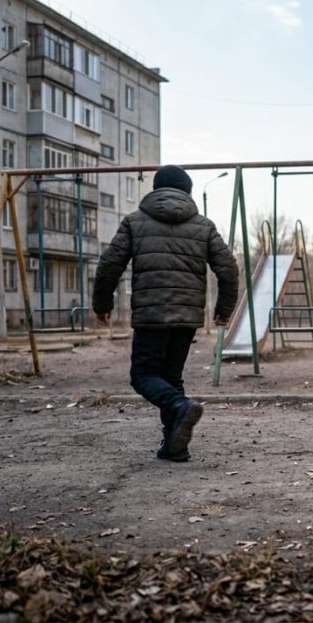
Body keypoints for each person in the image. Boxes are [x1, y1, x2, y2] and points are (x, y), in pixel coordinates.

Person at [92, 165, 239, 462]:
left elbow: (109, 265)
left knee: (143, 375)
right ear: (187, 191)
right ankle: (175, 446)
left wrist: (102, 303)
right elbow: (228, 268)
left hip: (151, 313)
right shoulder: (203, 225)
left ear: (156, 189)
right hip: (186, 316)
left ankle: (180, 407)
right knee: (171, 376)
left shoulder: (135, 221)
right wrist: (224, 310)